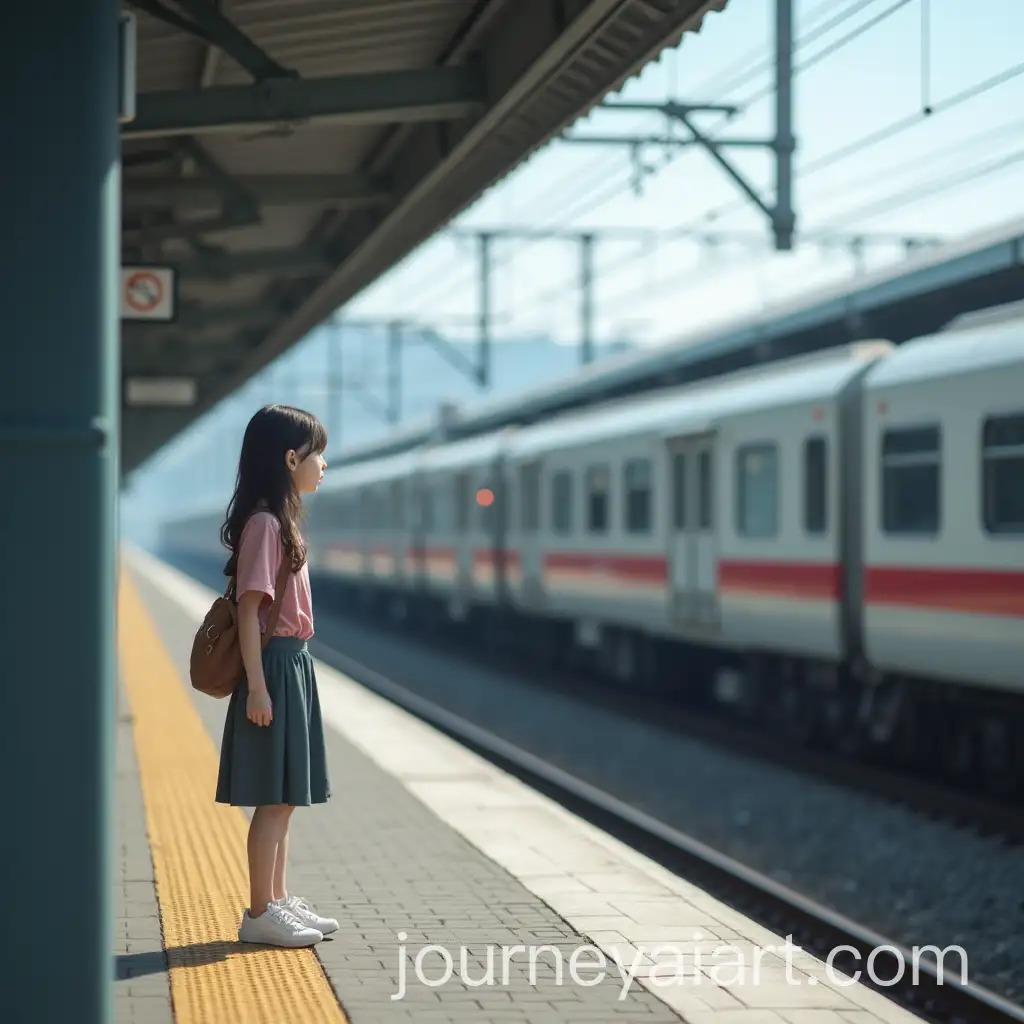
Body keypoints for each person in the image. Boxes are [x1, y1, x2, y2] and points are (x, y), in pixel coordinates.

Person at [215, 403, 337, 948]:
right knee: (272, 797)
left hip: (292, 665)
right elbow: (248, 610)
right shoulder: (266, 525)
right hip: (275, 669)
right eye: (318, 455)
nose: (323, 466)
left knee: (285, 796)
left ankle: (279, 901)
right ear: (291, 458)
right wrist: (259, 688)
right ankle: (260, 911)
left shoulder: (277, 522)